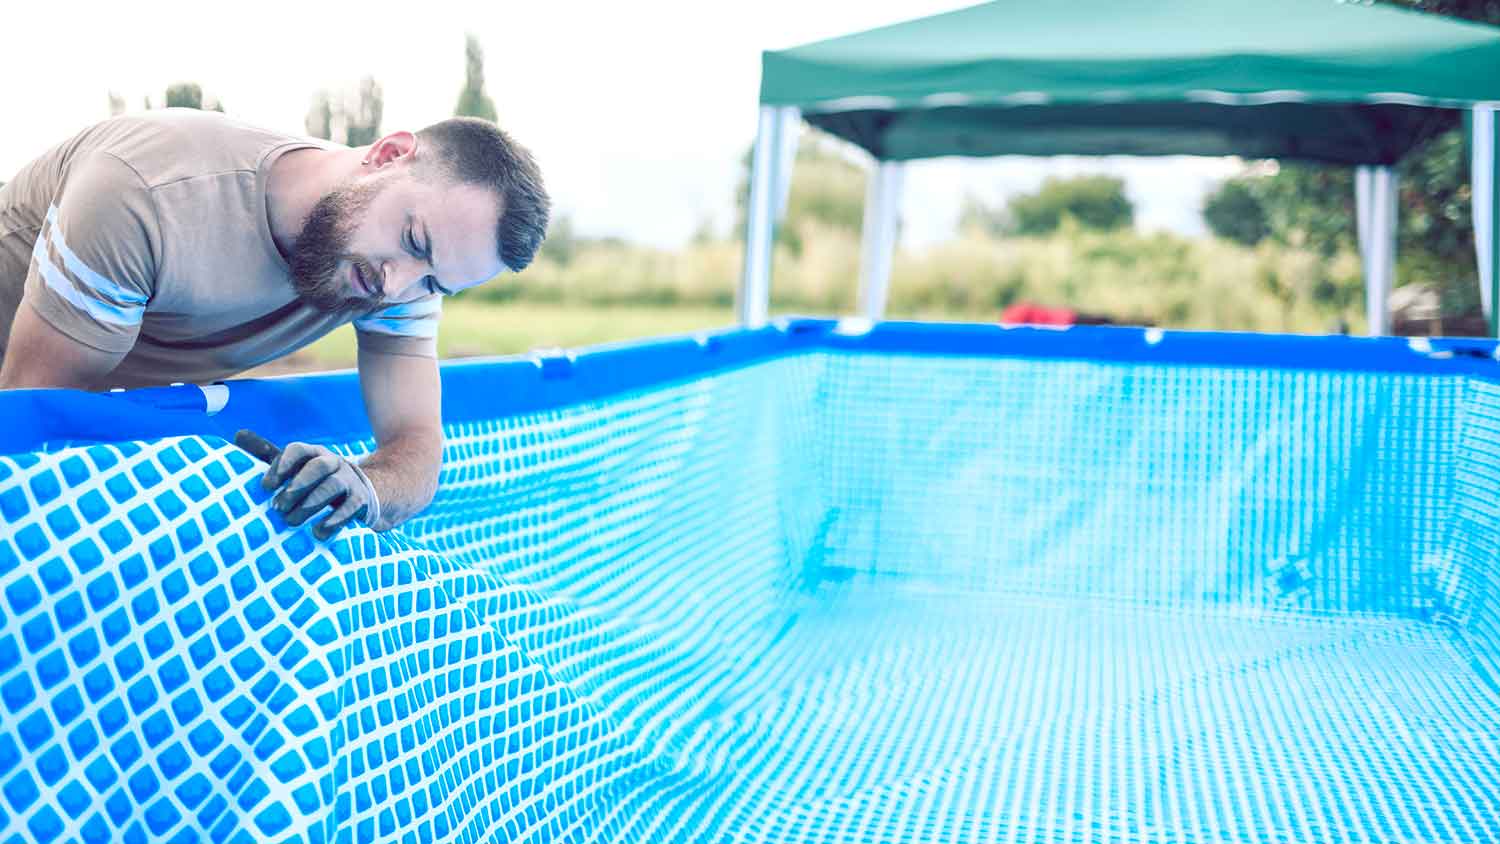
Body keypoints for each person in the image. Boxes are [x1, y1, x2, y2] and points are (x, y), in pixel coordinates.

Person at [0, 109, 549, 538]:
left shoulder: (396, 272)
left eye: (434, 284)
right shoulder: (145, 197)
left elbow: (418, 447)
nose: (396, 287)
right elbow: (29, 430)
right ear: (387, 154)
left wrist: (364, 485)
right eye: (414, 242)